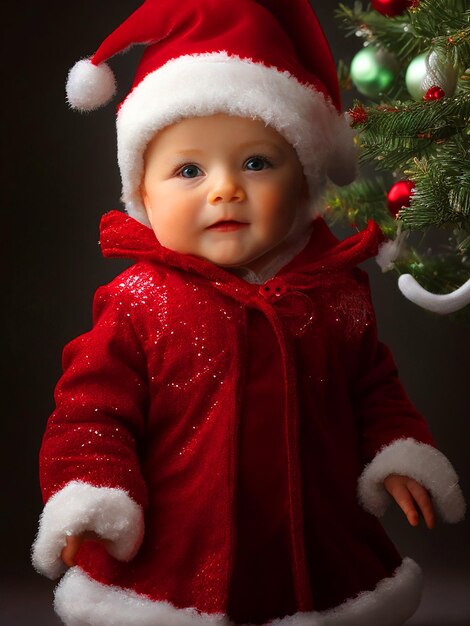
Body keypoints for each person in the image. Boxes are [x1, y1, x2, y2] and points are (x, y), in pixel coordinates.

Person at [32, 2, 465, 625]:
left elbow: (373, 389)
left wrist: (398, 450)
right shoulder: (137, 301)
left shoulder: (335, 293)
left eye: (257, 163)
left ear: (305, 182)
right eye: (188, 169)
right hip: (177, 559)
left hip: (313, 550)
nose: (225, 189)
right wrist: (94, 494)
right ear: (143, 194)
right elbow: (90, 413)